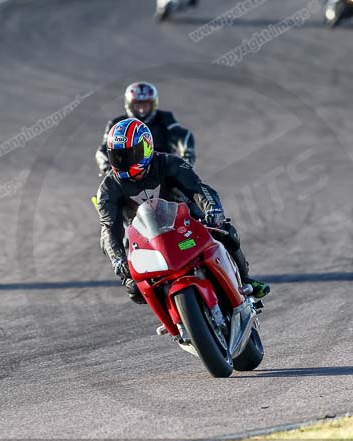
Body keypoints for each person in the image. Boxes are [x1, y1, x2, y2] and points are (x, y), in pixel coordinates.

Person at [96, 118, 270, 307]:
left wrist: (213, 210)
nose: (122, 162)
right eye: (117, 156)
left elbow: (199, 189)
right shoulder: (108, 188)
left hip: (185, 224)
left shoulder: (169, 163)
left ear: (146, 148)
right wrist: (118, 259)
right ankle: (174, 317)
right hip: (146, 239)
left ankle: (245, 280)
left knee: (226, 232)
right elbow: (109, 228)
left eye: (128, 155)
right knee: (133, 288)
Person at [95, 82, 196, 174]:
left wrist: (187, 157)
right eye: (137, 106)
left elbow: (182, 136)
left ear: (153, 105)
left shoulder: (165, 118)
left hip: (164, 173)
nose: (142, 110)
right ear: (129, 105)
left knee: (189, 190)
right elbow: (102, 151)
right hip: (127, 175)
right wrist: (107, 167)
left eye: (145, 105)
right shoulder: (116, 123)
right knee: (102, 194)